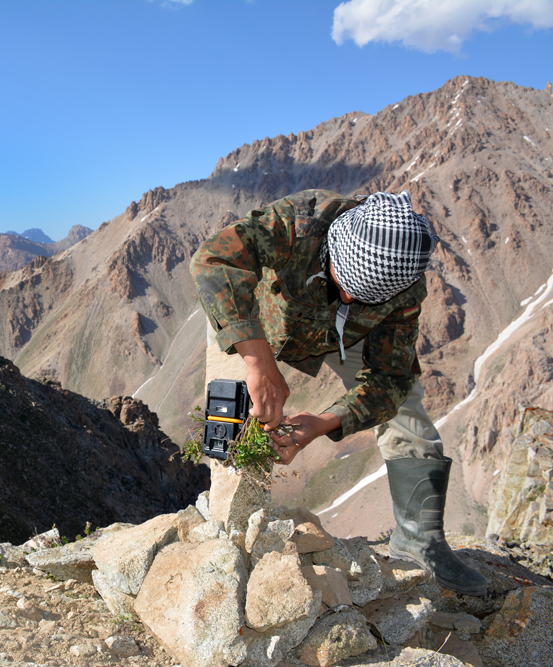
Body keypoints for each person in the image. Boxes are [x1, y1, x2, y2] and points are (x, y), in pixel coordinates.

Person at [190, 188, 487, 596]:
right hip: (255, 323)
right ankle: (227, 531)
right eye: (342, 282)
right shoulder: (301, 222)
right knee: (229, 418)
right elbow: (213, 258)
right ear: (332, 247)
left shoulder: (404, 290)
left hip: (343, 338)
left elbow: (390, 380)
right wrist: (257, 358)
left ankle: (420, 540)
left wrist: (324, 423)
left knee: (409, 414)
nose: (347, 296)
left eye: (363, 295)